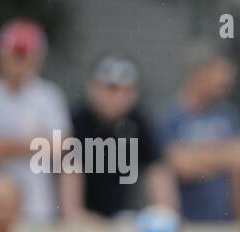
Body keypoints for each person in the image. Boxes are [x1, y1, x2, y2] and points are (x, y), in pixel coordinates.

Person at [0, 19, 70, 223]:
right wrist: (33, 143)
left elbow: (61, 148)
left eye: (24, 56)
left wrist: (3, 144)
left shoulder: (49, 96)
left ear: (37, 60)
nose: (19, 63)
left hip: (37, 209)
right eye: (14, 55)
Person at [158, 48, 240, 226]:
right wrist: (228, 157)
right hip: (185, 226)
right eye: (220, 78)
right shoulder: (171, 117)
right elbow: (179, 164)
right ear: (198, 75)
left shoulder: (229, 115)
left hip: (229, 225)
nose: (228, 84)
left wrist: (198, 158)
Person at [61, 54, 166, 221]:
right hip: (82, 221)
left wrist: (165, 216)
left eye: (124, 90)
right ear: (92, 88)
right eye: (110, 89)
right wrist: (76, 214)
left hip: (121, 218)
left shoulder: (138, 123)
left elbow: (158, 172)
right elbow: (70, 172)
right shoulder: (77, 121)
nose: (116, 98)